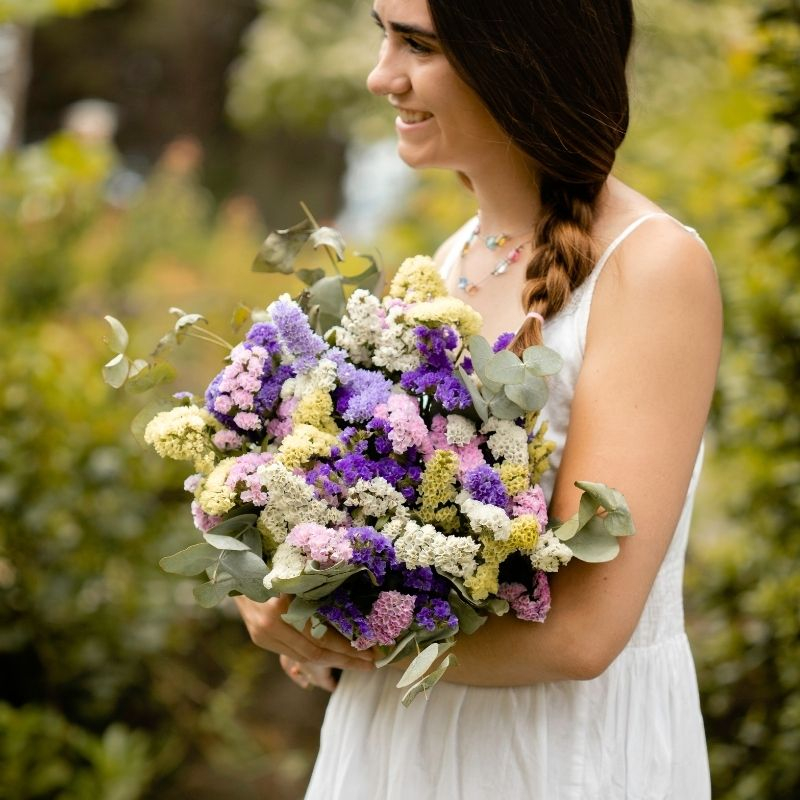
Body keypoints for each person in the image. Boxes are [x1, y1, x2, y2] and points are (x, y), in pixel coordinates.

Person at [234, 1, 722, 797]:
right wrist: (296, 587)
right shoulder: (451, 259)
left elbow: (581, 634)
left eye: (418, 44)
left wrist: (334, 632)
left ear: (520, 56)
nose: (381, 75)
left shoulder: (653, 269)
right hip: (398, 742)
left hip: (551, 754)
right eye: (383, 35)